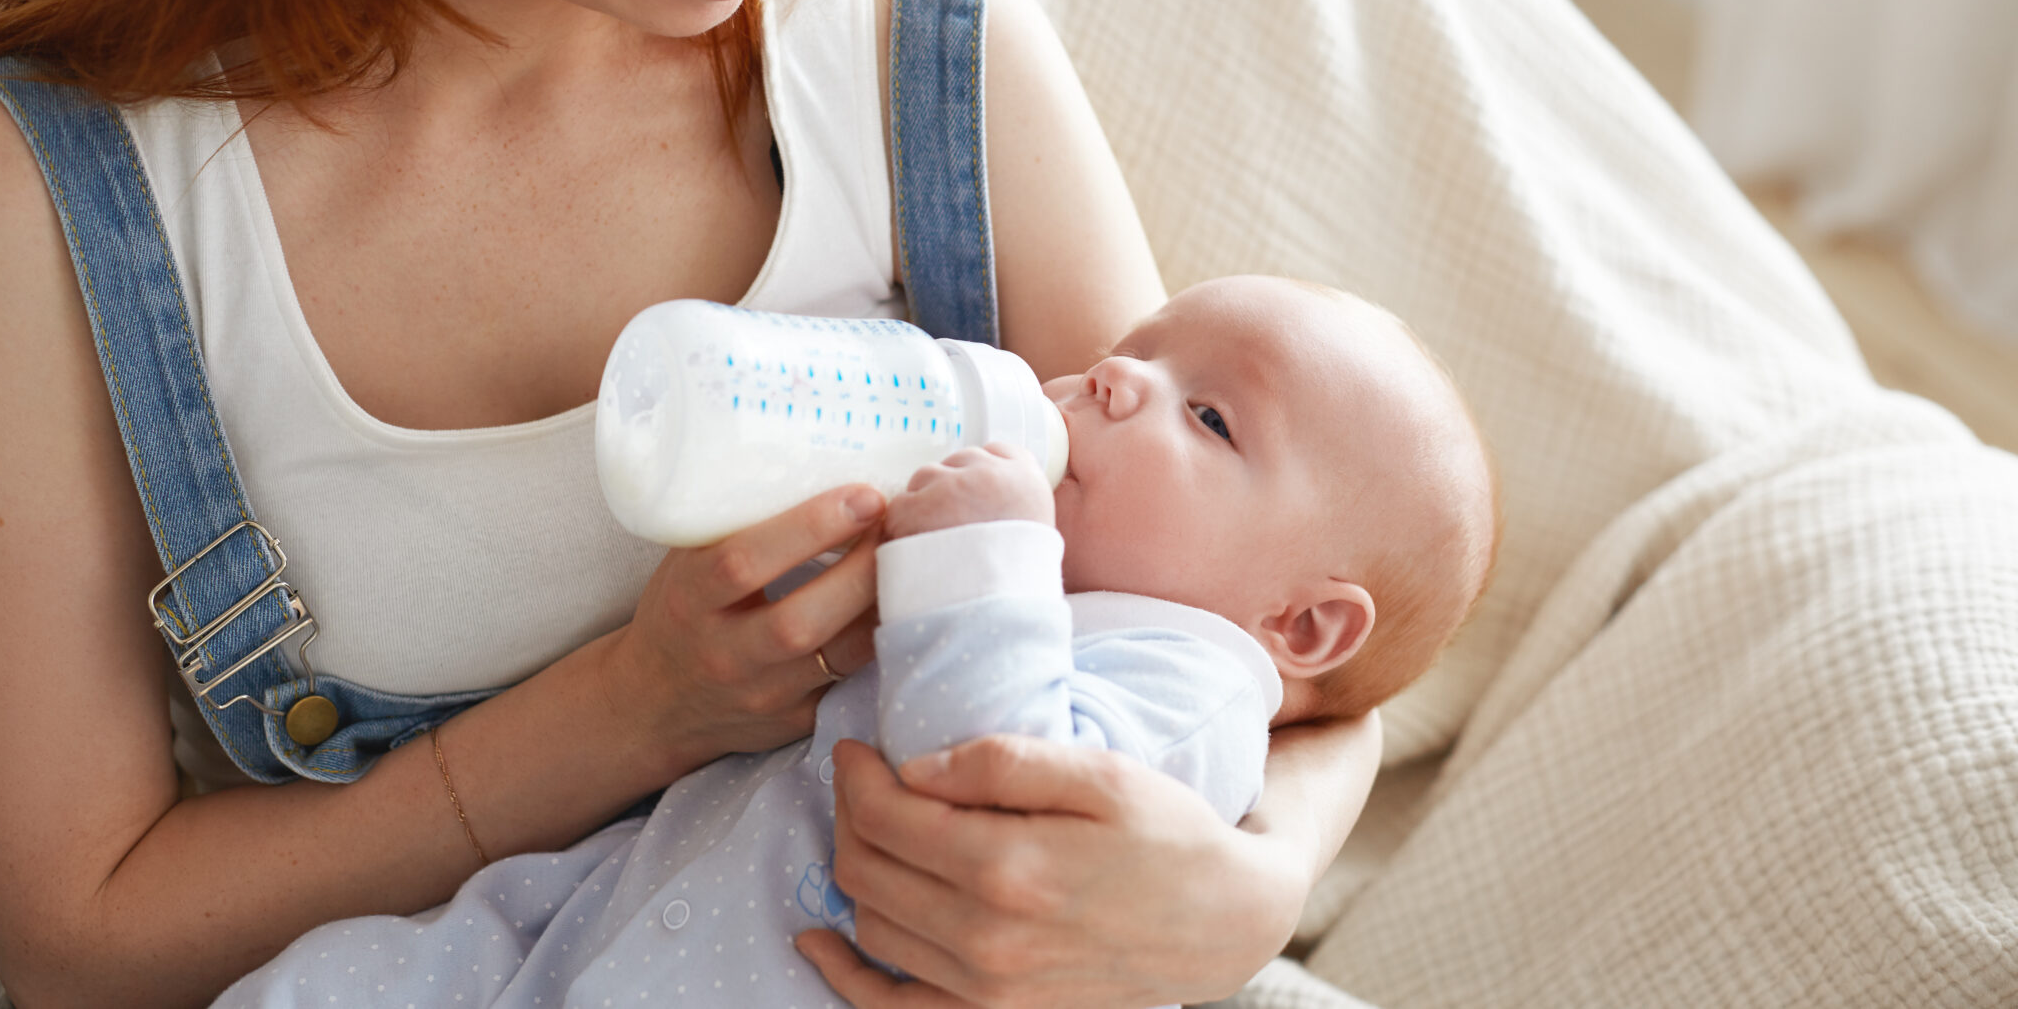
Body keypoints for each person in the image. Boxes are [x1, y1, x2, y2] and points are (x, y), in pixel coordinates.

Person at [0, 0, 1381, 1006]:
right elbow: (79, 950)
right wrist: (637, 710)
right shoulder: (50, 200)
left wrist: (1247, 889)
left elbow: (1280, 621)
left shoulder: (931, 79)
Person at [213, 275, 1497, 1008]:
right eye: (1136, 351)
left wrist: (980, 557)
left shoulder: (1192, 677)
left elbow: (997, 786)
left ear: (1303, 625)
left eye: (1207, 417)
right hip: (593, 927)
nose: (1110, 378)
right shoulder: (1034, 575)